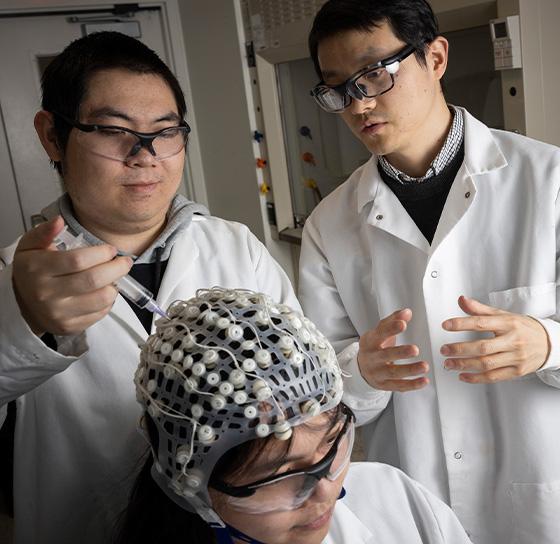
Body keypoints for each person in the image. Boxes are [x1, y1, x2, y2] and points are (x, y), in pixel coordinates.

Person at [0, 32, 298, 544]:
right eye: (114, 130)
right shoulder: (10, 278)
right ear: (52, 136)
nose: (146, 156)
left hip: (236, 525)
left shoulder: (236, 246)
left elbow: (294, 378)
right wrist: (20, 323)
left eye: (165, 132)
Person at [298, 1, 560, 543]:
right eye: (339, 88)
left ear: (435, 57)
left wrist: (547, 345)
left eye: (374, 74)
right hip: (414, 505)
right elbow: (322, 397)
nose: (358, 103)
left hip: (542, 500)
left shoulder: (550, 182)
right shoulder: (330, 226)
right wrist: (361, 371)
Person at [115, 287, 473, 544]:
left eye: (333, 442)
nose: (325, 491)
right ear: (192, 486)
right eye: (283, 475)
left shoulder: (398, 501)